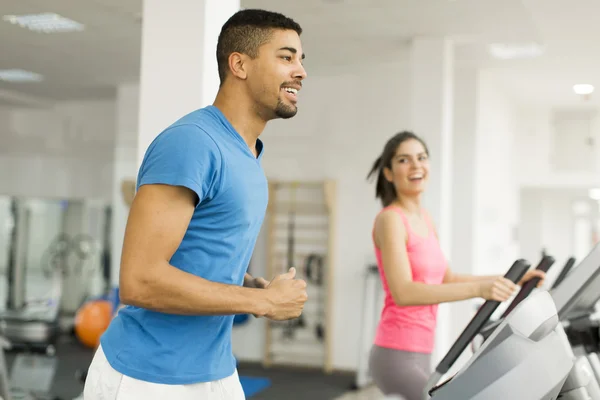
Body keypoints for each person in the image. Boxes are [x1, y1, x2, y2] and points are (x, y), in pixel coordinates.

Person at [83, 9, 308, 400]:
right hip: (146, 375)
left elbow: (194, 255)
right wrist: (263, 301)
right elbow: (139, 281)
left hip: (214, 369)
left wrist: (246, 283)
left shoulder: (248, 153)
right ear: (239, 64)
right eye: (286, 57)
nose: (301, 71)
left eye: (301, 60)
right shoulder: (192, 142)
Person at [365, 131, 545, 400]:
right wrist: (481, 290)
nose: (416, 166)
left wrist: (510, 279)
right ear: (389, 173)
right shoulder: (390, 220)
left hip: (423, 350)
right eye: (404, 160)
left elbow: (447, 279)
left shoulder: (425, 219)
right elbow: (404, 292)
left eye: (422, 157)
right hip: (395, 353)